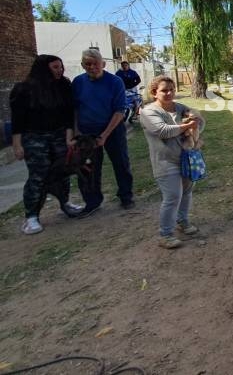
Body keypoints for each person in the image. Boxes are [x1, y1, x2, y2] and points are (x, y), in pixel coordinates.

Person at [10, 55, 84, 234]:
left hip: (59, 134)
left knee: (63, 170)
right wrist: (17, 145)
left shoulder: (63, 86)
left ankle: (65, 204)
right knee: (38, 175)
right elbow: (17, 120)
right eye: (55, 67)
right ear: (44, 68)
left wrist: (69, 136)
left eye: (61, 66)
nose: (60, 70)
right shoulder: (24, 89)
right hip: (34, 137)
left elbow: (68, 114)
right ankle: (31, 217)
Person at [141, 75, 204, 249]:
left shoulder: (181, 107)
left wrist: (196, 119)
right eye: (164, 90)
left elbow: (200, 123)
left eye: (171, 90)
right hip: (165, 162)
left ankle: (182, 222)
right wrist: (186, 126)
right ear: (154, 92)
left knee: (186, 192)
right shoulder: (148, 112)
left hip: (187, 158)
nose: (169, 93)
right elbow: (163, 131)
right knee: (173, 196)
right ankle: (165, 234)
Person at [72, 48, 135, 216]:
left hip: (112, 128)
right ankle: (92, 202)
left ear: (103, 64)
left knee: (121, 162)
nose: (92, 67)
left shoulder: (115, 82)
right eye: (88, 64)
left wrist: (104, 135)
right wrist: (77, 131)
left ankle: (126, 196)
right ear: (82, 65)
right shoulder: (78, 82)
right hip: (87, 131)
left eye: (95, 64)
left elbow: (119, 111)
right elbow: (75, 109)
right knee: (88, 167)